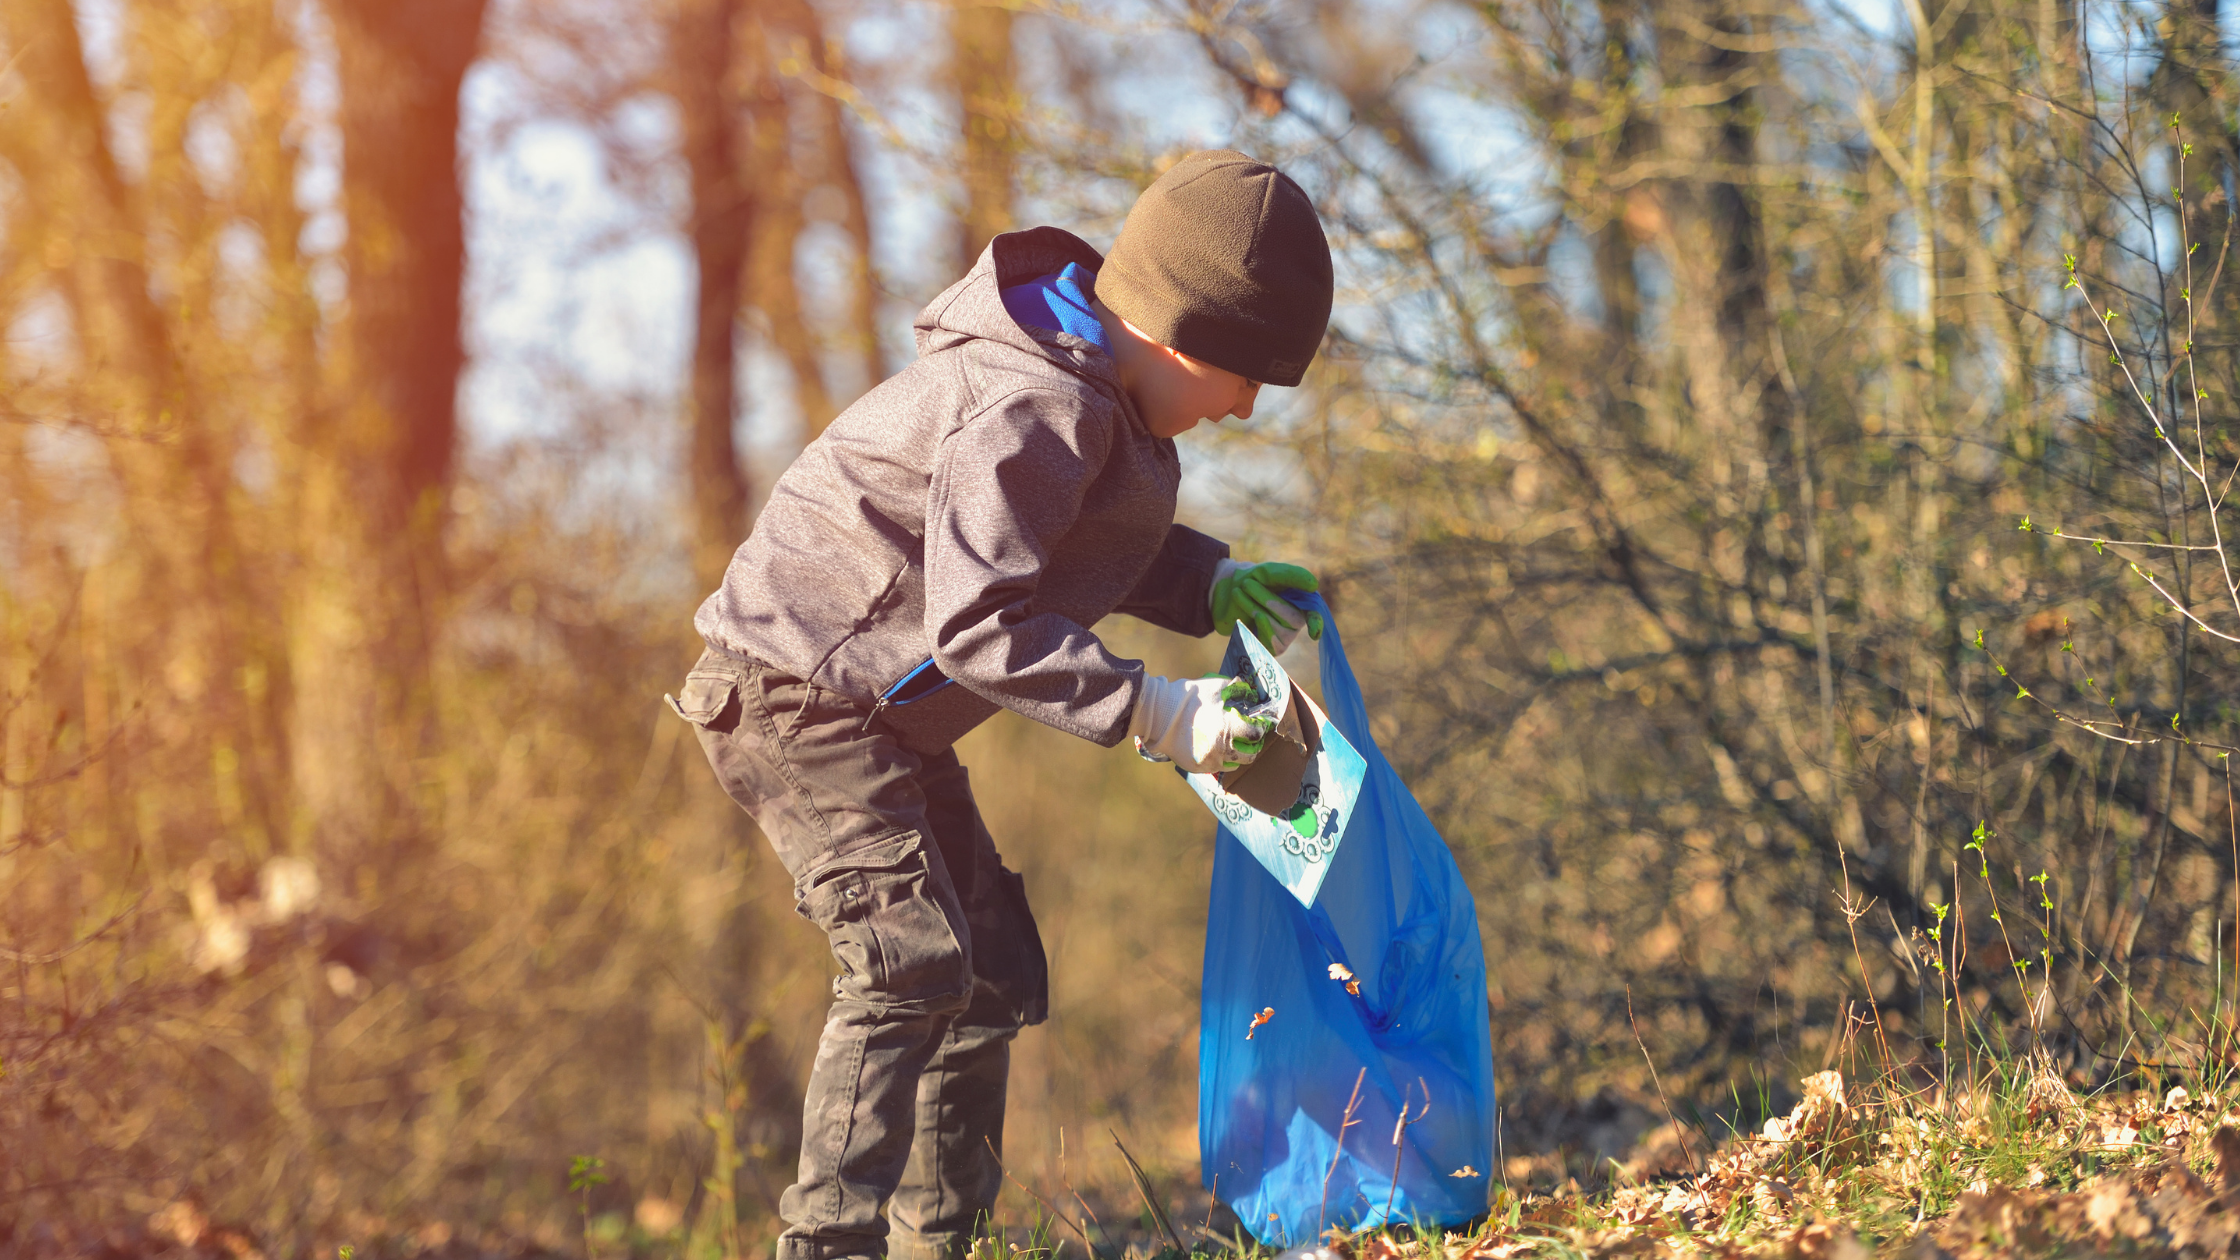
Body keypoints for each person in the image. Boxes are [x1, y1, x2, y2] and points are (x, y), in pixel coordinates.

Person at [668, 149, 1333, 1260]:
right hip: (789, 696)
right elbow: (977, 627)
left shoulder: (1095, 394)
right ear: (1178, 334)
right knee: (908, 960)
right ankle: (825, 1247)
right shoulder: (1029, 400)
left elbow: (1073, 540)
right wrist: (1166, 719)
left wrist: (1206, 583)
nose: (1244, 408)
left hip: (879, 712)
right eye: (1242, 378)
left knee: (990, 973)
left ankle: (947, 1244)